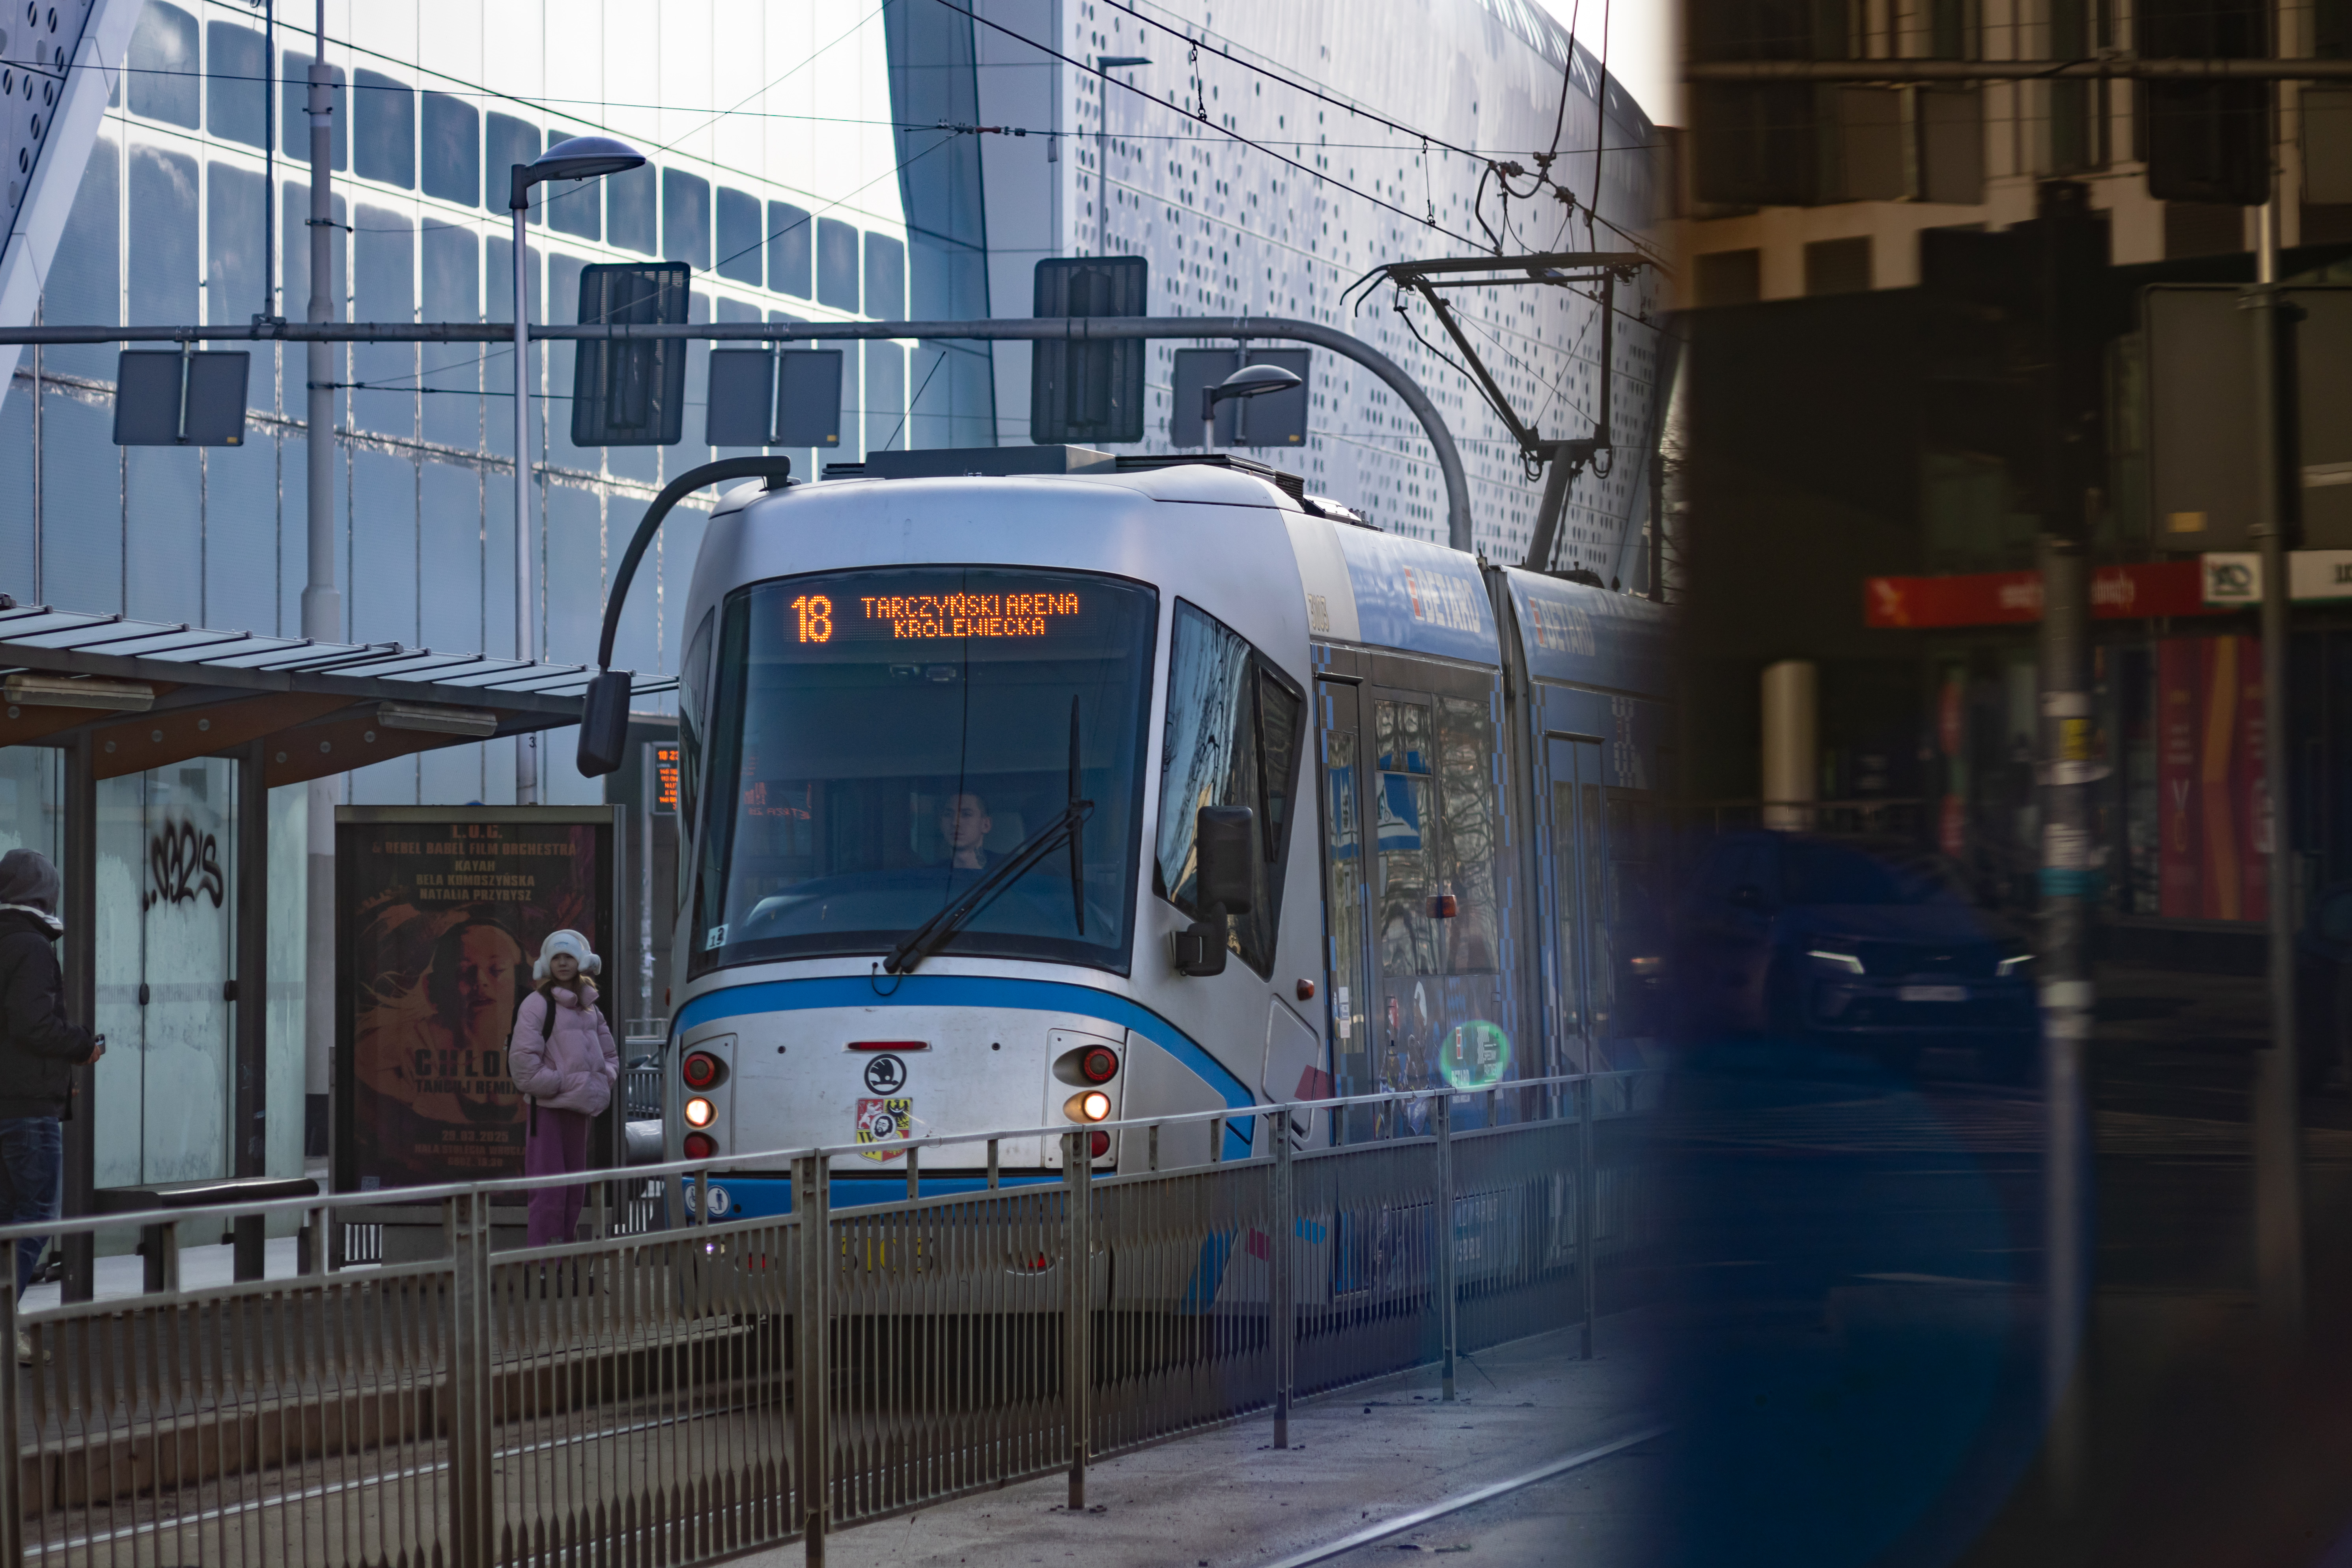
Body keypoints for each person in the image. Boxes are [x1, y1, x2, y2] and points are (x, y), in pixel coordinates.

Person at [0, 849, 101, 1354]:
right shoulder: (33, 948)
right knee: (38, 1214)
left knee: (7, 1220)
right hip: (25, 1110)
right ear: (44, 892)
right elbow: (32, 1025)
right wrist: (82, 1045)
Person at [508, 929, 618, 1248]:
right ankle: (543, 1264)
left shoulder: (590, 1009)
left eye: (569, 956)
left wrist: (600, 1079)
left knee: (573, 1192)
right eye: (556, 957)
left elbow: (610, 1056)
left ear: (582, 960)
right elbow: (524, 1065)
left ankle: (561, 1260)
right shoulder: (536, 1004)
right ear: (546, 963)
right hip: (547, 1110)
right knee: (549, 1192)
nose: (562, 963)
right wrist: (560, 1085)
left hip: (578, 1109)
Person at [938, 791, 994, 871]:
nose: (955, 823)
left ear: (986, 825)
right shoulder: (927, 874)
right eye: (948, 814)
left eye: (967, 814)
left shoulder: (1010, 868)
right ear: (941, 824)